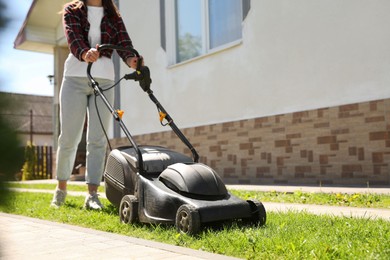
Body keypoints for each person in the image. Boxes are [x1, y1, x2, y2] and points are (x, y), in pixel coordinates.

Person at [51, 0, 140, 209]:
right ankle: (61, 188)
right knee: (69, 136)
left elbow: (124, 44)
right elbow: (73, 38)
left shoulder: (114, 16)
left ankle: (92, 195)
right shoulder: (72, 11)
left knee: (98, 138)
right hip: (75, 78)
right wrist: (84, 52)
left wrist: (132, 59)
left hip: (105, 79)